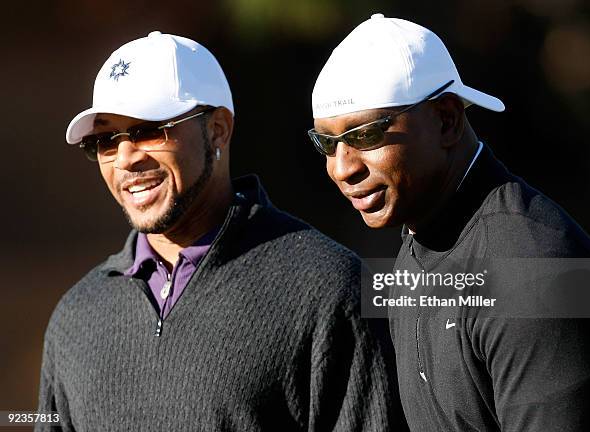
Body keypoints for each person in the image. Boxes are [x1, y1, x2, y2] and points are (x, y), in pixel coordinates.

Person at [35, 31, 408, 431]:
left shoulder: (328, 287)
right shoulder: (76, 316)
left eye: (148, 129)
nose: (125, 158)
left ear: (217, 130)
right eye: (106, 140)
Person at [309, 14, 590, 431]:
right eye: (328, 142)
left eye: (366, 136)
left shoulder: (535, 266)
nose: (341, 168)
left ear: (447, 119)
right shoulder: (420, 239)